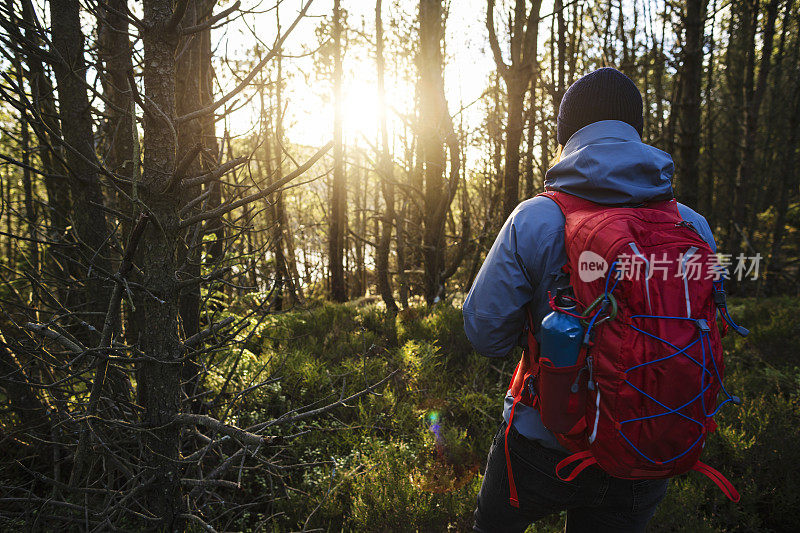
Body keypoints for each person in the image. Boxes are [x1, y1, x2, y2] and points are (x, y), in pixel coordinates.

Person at [463, 67, 717, 532]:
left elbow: (486, 336)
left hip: (542, 439)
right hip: (647, 441)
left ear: (568, 136)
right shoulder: (693, 226)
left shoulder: (537, 218)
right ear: (636, 131)